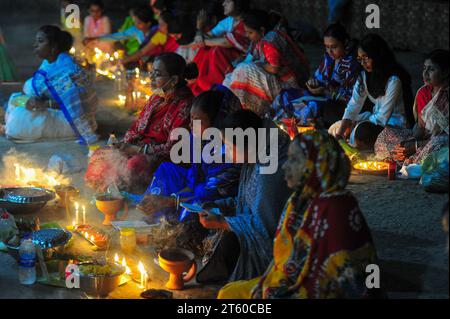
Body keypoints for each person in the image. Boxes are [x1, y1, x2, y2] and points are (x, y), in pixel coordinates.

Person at [218, 130, 380, 299]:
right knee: (229, 291)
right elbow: (286, 260)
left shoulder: (337, 207)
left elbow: (355, 277)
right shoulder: (298, 200)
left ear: (316, 165)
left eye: (294, 160)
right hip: (291, 279)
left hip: (320, 291)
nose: (285, 166)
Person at [136, 85, 242, 254]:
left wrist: (170, 200)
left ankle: (172, 227)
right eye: (191, 119)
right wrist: (166, 198)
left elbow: (207, 194)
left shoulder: (229, 151)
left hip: (218, 203)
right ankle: (156, 215)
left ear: (216, 122)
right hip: (199, 190)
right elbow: (193, 179)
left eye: (198, 120)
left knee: (190, 217)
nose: (191, 125)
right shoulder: (198, 139)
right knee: (167, 170)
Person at [195, 110, 291, 284]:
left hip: (278, 252)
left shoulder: (269, 172)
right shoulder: (257, 154)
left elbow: (267, 229)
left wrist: (222, 222)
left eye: (230, 147)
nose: (227, 152)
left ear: (249, 143)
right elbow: (244, 201)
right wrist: (215, 205)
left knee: (225, 242)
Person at [85, 53, 195, 193]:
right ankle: (111, 188)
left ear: (173, 80)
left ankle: (124, 191)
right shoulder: (157, 97)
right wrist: (124, 144)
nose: (152, 78)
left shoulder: (186, 105)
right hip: (138, 147)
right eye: (152, 72)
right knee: (101, 154)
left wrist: (136, 150)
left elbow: (173, 149)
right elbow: (137, 127)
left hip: (163, 159)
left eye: (157, 74)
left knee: (134, 165)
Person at [1, 26, 98, 144]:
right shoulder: (63, 61)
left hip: (73, 123)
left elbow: (30, 94)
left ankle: (10, 125)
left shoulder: (56, 73)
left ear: (53, 47)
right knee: (15, 99)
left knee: (18, 115)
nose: (35, 45)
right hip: (87, 119)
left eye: (40, 41)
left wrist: (45, 103)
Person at [329, 33, 413, 150]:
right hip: (373, 121)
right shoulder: (364, 76)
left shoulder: (394, 80)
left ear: (377, 56)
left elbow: (382, 117)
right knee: (336, 127)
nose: (363, 63)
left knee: (362, 131)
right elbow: (354, 105)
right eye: (360, 59)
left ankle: (360, 143)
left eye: (366, 58)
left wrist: (355, 124)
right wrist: (340, 133)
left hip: (393, 126)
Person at [224, 9, 310, 118]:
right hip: (276, 78)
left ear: (262, 30)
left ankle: (246, 114)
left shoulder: (269, 42)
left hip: (288, 85)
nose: (247, 35)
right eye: (246, 32)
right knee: (229, 78)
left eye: (250, 32)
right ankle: (237, 112)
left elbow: (274, 68)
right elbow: (250, 59)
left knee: (243, 70)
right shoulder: (258, 41)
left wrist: (259, 65)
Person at [271, 23, 361, 128]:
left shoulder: (352, 64)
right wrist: (313, 83)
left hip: (338, 105)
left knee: (308, 107)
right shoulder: (329, 57)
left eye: (334, 47)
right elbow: (319, 77)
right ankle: (279, 126)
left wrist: (324, 91)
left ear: (344, 42)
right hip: (322, 95)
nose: (330, 51)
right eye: (327, 47)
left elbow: (350, 98)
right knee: (285, 95)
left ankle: (301, 133)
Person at [374, 49, 449, 164]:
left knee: (439, 142)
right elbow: (420, 127)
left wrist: (415, 146)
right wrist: (410, 142)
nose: (425, 73)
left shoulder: (447, 96)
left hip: (441, 143)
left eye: (432, 69)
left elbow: (445, 136)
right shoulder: (423, 93)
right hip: (424, 140)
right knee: (385, 135)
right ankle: (413, 158)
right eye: (424, 68)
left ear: (445, 72)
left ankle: (416, 160)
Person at [187, 0, 251, 96]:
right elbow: (208, 36)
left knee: (217, 49)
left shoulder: (247, 21)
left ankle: (217, 85)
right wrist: (199, 29)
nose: (223, 4)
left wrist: (203, 41)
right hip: (231, 58)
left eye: (228, 1)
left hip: (244, 59)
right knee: (207, 48)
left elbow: (227, 42)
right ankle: (200, 76)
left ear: (238, 4)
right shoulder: (230, 21)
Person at [84, 5, 154, 69]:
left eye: (139, 23)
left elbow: (143, 52)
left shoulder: (155, 33)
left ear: (148, 24)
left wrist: (124, 60)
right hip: (143, 57)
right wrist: (95, 38)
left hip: (155, 59)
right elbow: (118, 36)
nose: (136, 25)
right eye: (135, 22)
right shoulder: (136, 30)